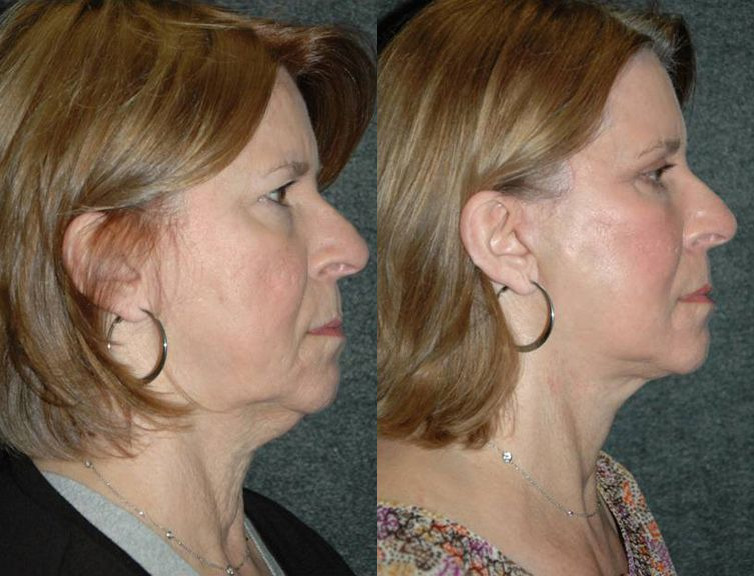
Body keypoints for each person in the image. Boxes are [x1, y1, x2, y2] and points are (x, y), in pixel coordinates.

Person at [0, 1, 374, 575]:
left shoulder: (295, 550)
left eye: (316, 190)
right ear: (115, 267)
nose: (350, 249)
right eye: (278, 195)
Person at [376, 0, 737, 575]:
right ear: (506, 239)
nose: (718, 221)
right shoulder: (407, 558)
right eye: (655, 174)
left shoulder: (610, 497)